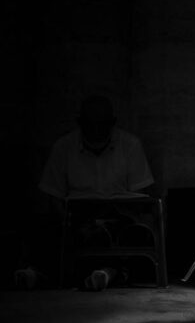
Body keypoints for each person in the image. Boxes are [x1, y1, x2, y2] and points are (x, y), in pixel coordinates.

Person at [15, 95, 156, 291]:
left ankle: (106, 271)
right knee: (46, 229)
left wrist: (116, 218)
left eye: (102, 124)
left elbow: (139, 197)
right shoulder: (64, 147)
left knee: (131, 234)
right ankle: (40, 272)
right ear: (81, 122)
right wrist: (65, 221)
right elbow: (53, 195)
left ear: (112, 123)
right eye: (91, 124)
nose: (97, 129)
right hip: (75, 218)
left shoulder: (130, 146)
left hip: (117, 220)